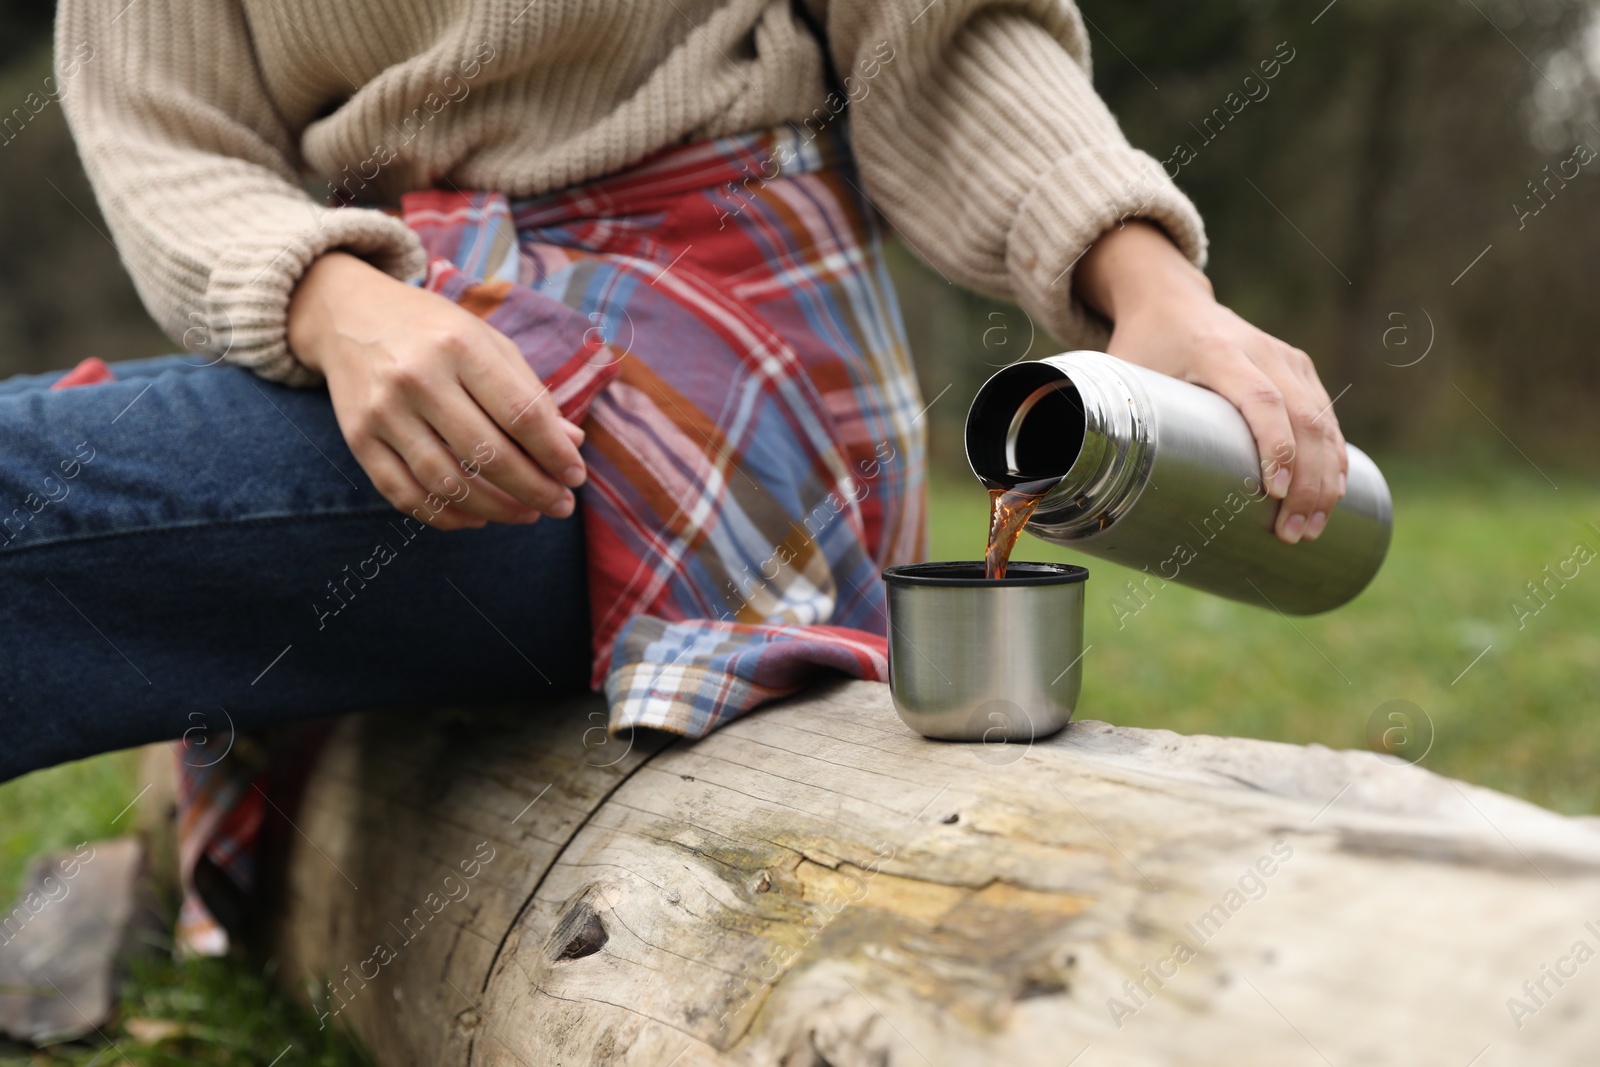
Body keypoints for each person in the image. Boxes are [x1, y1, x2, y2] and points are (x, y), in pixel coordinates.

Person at [5, 0, 1346, 948]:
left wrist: (1144, 272)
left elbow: (942, 34)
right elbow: (162, 133)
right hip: (395, 341)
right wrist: (332, 300)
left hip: (720, 355)